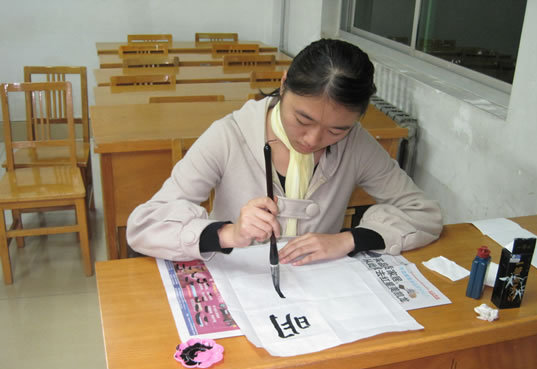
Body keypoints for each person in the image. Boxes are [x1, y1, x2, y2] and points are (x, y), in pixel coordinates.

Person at [127, 38, 442, 265]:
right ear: (284, 83)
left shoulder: (356, 143)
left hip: (315, 285)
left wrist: (347, 240)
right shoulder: (229, 135)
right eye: (303, 120)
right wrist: (229, 234)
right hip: (239, 279)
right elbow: (145, 225)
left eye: (336, 130)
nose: (313, 140)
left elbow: (423, 213)